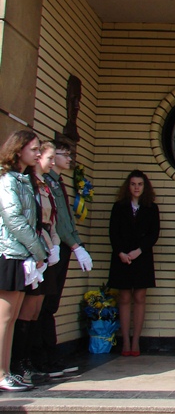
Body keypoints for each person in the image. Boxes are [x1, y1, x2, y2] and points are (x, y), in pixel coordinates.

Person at [33, 137, 93, 378]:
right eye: (63, 155)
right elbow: (55, 221)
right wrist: (74, 245)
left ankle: (50, 357)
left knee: (51, 305)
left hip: (61, 245)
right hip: (51, 247)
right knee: (44, 306)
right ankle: (42, 359)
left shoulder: (57, 182)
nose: (68, 159)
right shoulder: (45, 182)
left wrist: (76, 245)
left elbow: (66, 219)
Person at [10, 141, 61, 385]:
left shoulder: (45, 185)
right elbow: (28, 221)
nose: (50, 161)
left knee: (36, 310)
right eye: (47, 157)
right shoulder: (26, 182)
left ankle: (27, 359)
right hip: (33, 250)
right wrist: (40, 250)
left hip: (45, 248)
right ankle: (17, 362)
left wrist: (54, 244)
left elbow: (51, 220)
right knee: (24, 311)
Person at [0, 130, 47, 391]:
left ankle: (6, 371)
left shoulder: (24, 179)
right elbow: (14, 220)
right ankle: (1, 373)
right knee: (4, 317)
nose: (38, 154)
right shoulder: (7, 179)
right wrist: (38, 251)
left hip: (22, 254)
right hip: (8, 253)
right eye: (34, 149)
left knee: (12, 317)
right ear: (18, 150)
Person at [108, 170, 160, 356]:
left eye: (140, 184)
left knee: (139, 297)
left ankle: (136, 341)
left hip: (142, 257)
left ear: (145, 187)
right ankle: (125, 341)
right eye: (133, 184)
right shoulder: (119, 207)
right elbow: (113, 232)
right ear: (127, 186)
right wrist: (121, 252)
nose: (136, 187)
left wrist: (139, 250)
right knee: (123, 297)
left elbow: (154, 234)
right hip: (122, 257)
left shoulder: (151, 208)